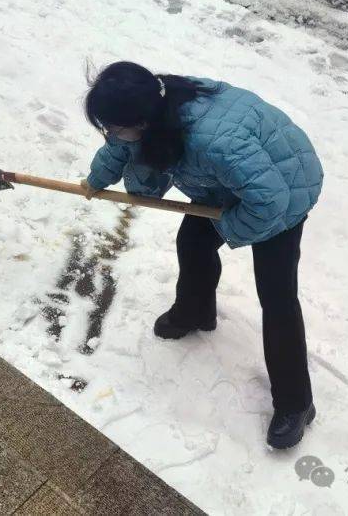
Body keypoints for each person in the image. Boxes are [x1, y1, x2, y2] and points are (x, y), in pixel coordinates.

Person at [81, 61, 324, 449]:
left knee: (276, 297)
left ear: (142, 121)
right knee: (193, 242)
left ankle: (297, 403)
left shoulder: (212, 141)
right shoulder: (150, 108)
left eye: (113, 125)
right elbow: (119, 144)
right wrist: (97, 179)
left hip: (286, 190)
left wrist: (228, 226)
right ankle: (195, 311)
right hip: (229, 183)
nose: (110, 133)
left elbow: (269, 202)